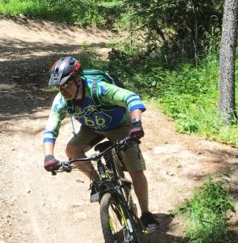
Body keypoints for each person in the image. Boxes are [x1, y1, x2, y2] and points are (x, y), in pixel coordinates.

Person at [42, 55, 160, 232]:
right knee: (72, 149)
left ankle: (146, 213)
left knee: (135, 170)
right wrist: (49, 156)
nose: (63, 90)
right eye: (59, 86)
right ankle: (98, 184)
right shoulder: (62, 100)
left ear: (79, 80)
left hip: (120, 125)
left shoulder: (99, 89)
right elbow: (50, 128)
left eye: (67, 84)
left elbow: (131, 98)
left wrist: (136, 124)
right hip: (93, 128)